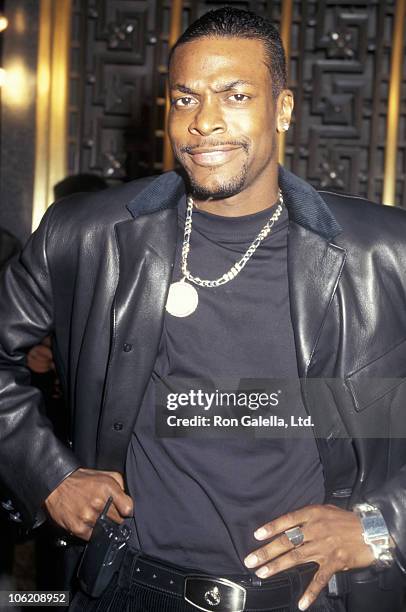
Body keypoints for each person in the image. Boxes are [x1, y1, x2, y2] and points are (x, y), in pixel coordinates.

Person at [0, 7, 405, 612]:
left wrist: (383, 523)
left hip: (307, 597)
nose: (204, 122)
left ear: (284, 109)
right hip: (128, 589)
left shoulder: (385, 253)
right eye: (185, 99)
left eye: (235, 94)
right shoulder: (84, 235)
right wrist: (49, 474)